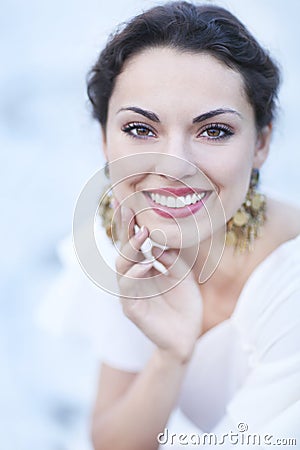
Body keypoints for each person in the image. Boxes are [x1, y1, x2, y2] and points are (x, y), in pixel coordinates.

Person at [73, 2, 300, 449]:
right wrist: (170, 356)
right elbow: (113, 441)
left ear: (262, 144)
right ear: (103, 139)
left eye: (213, 131)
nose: (174, 167)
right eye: (140, 128)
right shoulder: (127, 232)